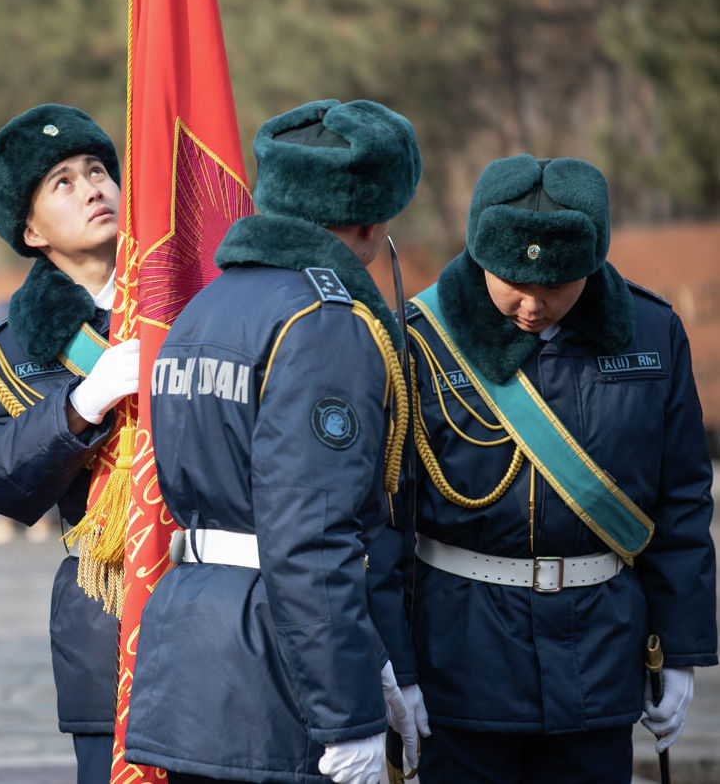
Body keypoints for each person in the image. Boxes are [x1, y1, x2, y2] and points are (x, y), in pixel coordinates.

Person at [124, 99, 428, 784]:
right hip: (278, 661)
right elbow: (309, 535)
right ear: (372, 220)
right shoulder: (322, 321)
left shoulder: (208, 304)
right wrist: (346, 716)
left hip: (198, 645)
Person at [402, 153, 717, 782]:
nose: (531, 303)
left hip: (599, 659)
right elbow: (383, 518)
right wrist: (394, 665)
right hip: (461, 658)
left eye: (557, 284)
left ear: (594, 263)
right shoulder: (420, 340)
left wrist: (679, 649)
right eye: (511, 281)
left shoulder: (653, 333)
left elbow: (681, 498)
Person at [0, 103, 139, 784]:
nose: (94, 187)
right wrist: (80, 405)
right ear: (30, 231)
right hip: (107, 611)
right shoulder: (10, 351)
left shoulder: (195, 303)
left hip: (225, 600)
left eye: (98, 170)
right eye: (62, 182)